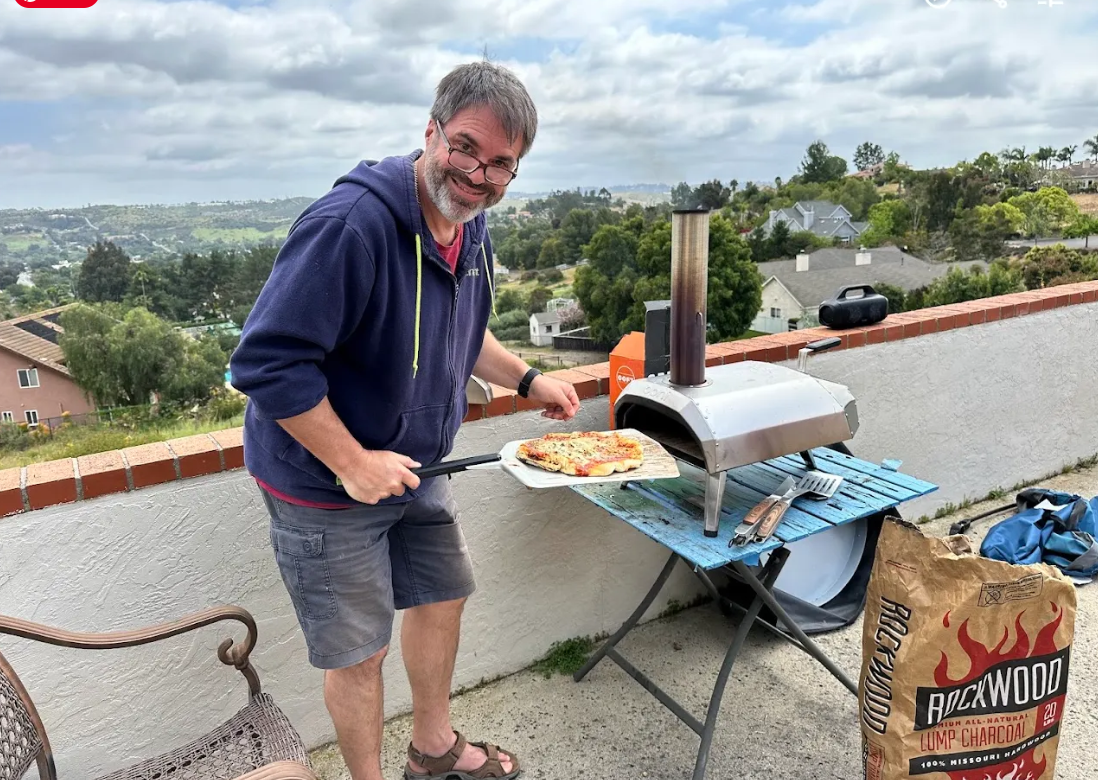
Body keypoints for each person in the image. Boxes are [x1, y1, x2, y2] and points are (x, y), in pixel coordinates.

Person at [229, 60, 580, 780]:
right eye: (465, 148)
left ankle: (433, 750)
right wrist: (353, 463)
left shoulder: (466, 225)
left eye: (501, 165)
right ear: (430, 131)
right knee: (362, 654)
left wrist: (527, 378)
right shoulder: (350, 227)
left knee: (442, 595)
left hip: (417, 469)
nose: (478, 175)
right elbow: (265, 364)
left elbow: (464, 325)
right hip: (325, 486)